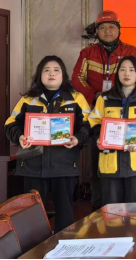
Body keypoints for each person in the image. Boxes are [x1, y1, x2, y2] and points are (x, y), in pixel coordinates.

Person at [72, 10, 136, 211]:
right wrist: (95, 95)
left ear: (119, 30)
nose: (107, 31)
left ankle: (131, 208)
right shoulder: (87, 53)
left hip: (129, 115)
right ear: (97, 31)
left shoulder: (133, 52)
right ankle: (99, 205)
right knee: (97, 162)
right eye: (103, 27)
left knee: (130, 164)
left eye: (112, 27)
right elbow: (77, 79)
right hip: (99, 114)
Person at [5, 56, 91, 232]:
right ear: (39, 75)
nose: (51, 73)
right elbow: (10, 123)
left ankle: (64, 245)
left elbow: (88, 124)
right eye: (46, 70)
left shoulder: (76, 98)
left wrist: (77, 138)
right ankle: (35, 248)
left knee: (65, 214)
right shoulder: (28, 99)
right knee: (32, 215)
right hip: (33, 166)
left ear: (63, 75)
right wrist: (20, 137)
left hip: (64, 165)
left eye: (56, 70)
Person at [89, 56, 136, 204]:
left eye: (131, 70)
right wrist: (98, 137)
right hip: (110, 165)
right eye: (123, 69)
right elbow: (93, 121)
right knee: (112, 213)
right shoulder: (104, 98)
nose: (127, 73)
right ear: (117, 73)